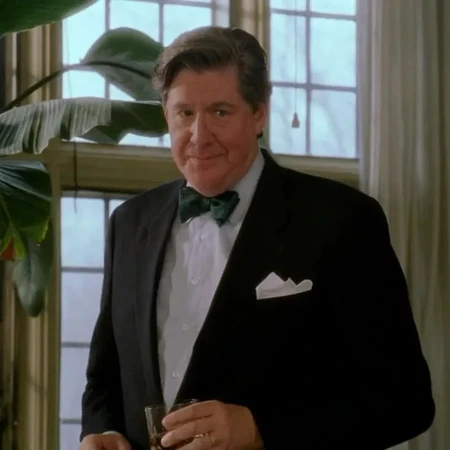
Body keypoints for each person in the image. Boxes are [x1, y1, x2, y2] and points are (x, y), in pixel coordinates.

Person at [79, 26, 435, 450]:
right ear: (166, 115)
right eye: (184, 113)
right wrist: (101, 431)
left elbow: (405, 400)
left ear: (259, 115)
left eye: (220, 112)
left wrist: (258, 429)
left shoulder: (341, 220)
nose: (199, 136)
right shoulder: (129, 223)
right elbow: (104, 379)